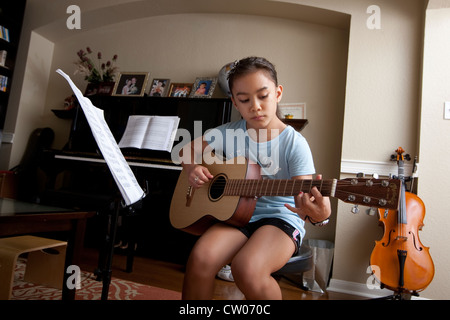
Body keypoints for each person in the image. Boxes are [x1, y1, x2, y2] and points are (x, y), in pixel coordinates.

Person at [179, 56, 331, 300]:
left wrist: (320, 216)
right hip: (237, 215)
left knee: (247, 268)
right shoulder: (228, 132)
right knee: (200, 258)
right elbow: (187, 150)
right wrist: (192, 168)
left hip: (281, 218)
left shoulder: (294, 144)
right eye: (244, 99)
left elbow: (303, 202)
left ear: (278, 93)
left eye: (263, 96)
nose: (255, 106)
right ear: (234, 103)